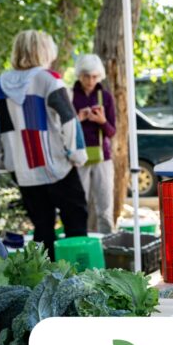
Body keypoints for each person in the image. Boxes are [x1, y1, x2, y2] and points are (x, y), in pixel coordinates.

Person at [0, 30, 88, 259]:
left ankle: (45, 275)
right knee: (76, 222)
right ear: (43, 50)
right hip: (57, 167)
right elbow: (69, 120)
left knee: (42, 228)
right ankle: (80, 274)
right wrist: (76, 155)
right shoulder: (49, 80)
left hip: (23, 171)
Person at [72, 54, 117, 234]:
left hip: (102, 157)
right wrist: (78, 119)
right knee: (77, 205)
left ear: (99, 76)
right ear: (79, 75)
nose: (90, 81)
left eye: (94, 76)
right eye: (86, 76)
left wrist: (102, 121)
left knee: (105, 206)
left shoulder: (105, 97)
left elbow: (112, 132)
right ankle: (80, 240)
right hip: (77, 157)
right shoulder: (70, 96)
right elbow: (61, 131)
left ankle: (108, 243)